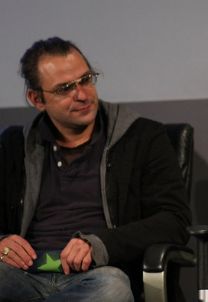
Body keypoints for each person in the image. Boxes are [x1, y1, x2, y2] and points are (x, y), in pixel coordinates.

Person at [0, 37, 191, 301]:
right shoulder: (14, 145)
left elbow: (174, 220)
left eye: (86, 79)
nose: (82, 94)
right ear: (37, 99)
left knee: (112, 289)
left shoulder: (142, 137)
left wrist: (101, 245)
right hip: (25, 275)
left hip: (98, 275)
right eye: (65, 88)